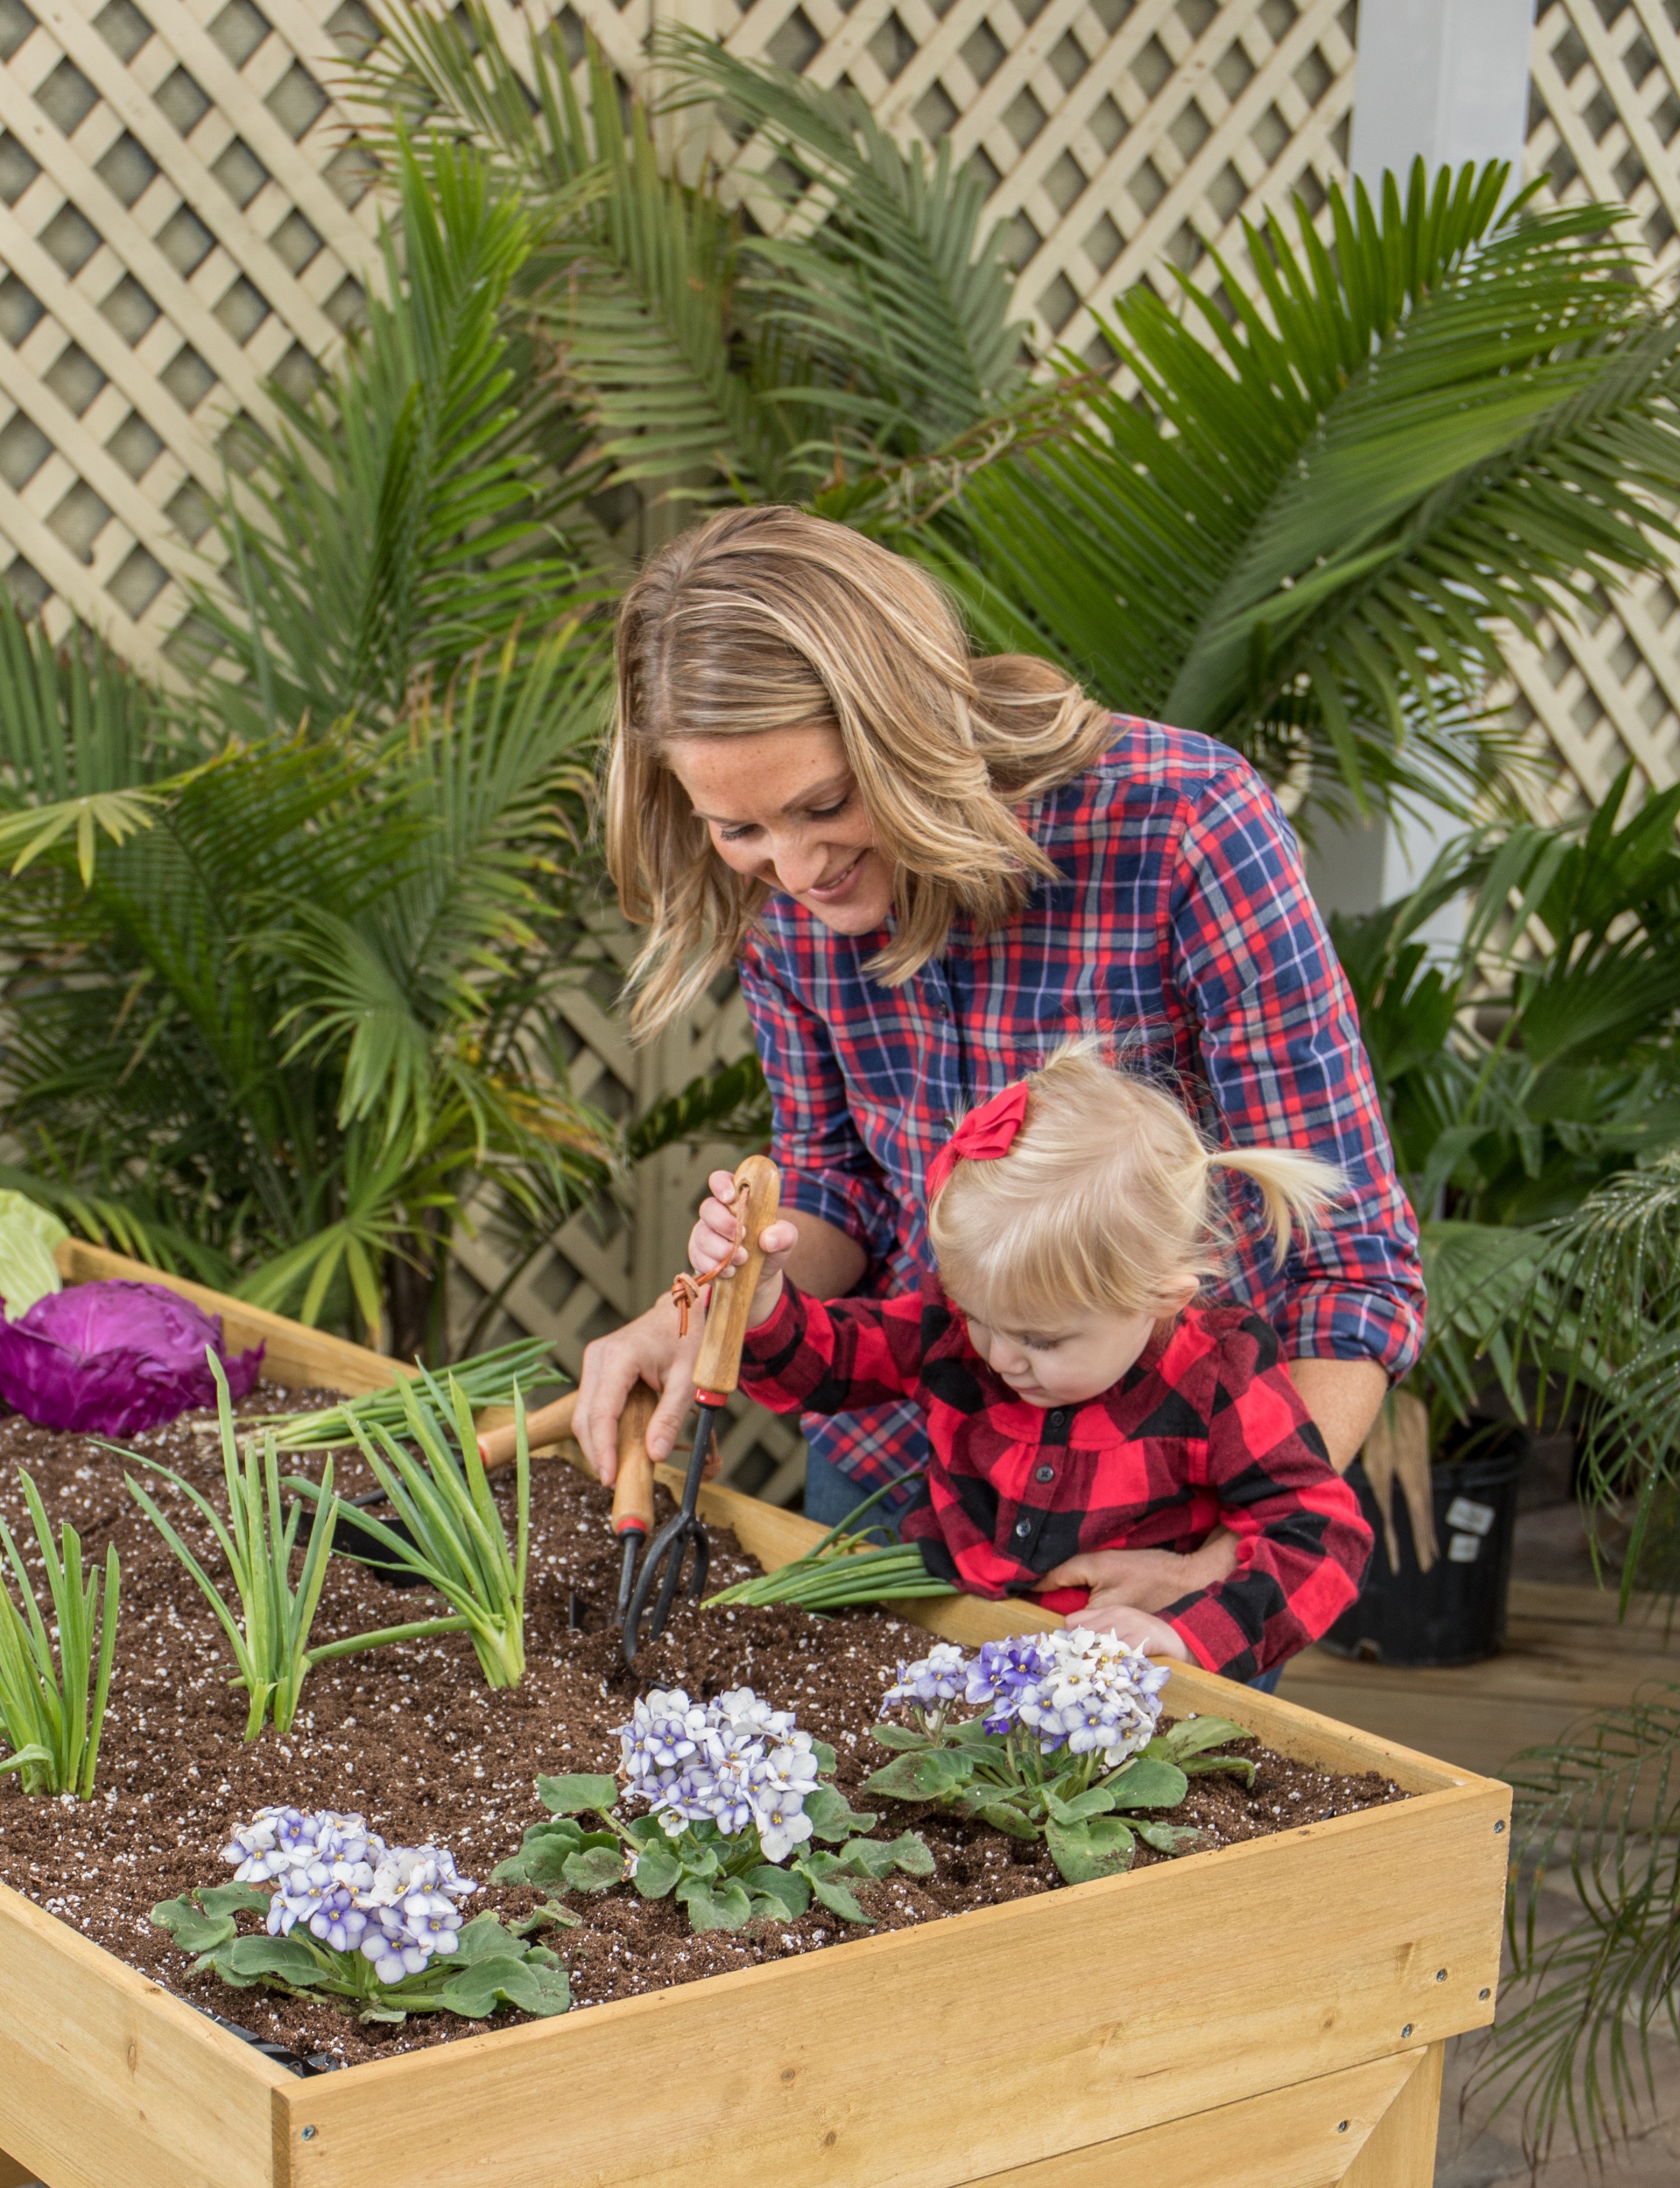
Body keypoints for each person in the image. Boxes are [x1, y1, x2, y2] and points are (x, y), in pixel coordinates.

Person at [577, 509, 1424, 1632]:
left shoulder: (1182, 825)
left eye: (826, 806)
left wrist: (1234, 1557)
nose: (795, 870)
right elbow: (837, 1198)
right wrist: (714, 1299)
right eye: (739, 830)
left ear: (911, 724)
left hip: (1162, 1516)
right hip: (904, 1472)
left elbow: (1351, 1265)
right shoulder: (782, 899)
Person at [686, 1041, 1374, 1679]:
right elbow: (825, 1364)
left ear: (1160, 1297)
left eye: (1041, 1341)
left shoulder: (1216, 1380)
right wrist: (760, 1294)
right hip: (963, 1636)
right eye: (979, 1318)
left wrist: (1190, 1636)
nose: (999, 1357)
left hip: (1126, 1684)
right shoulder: (959, 1332)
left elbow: (1323, 1537)